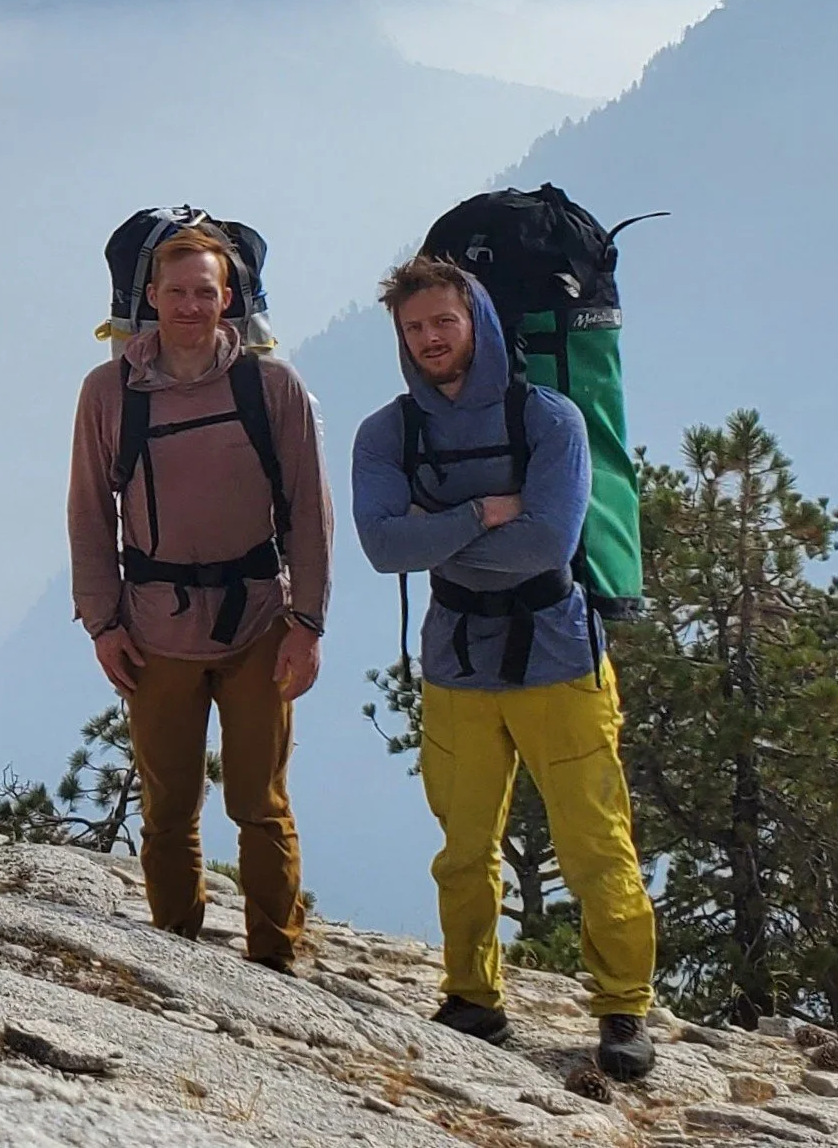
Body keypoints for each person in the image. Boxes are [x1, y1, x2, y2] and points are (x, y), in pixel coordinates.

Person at [352, 254, 658, 1077]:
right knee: (462, 844)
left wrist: (438, 527)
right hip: (458, 658)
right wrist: (486, 509)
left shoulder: (550, 418)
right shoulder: (386, 431)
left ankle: (623, 1009)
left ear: (477, 320)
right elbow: (382, 547)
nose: (428, 340)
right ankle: (470, 995)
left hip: (556, 651)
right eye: (413, 328)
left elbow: (548, 541)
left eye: (442, 322)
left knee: (596, 840)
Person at [68, 225, 334, 972]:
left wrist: (305, 622)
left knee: (260, 805)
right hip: (152, 630)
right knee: (168, 812)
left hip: (258, 622)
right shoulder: (108, 390)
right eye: (177, 291)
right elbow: (90, 511)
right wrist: (102, 621)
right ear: (149, 297)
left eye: (205, 291)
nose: (190, 305)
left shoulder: (271, 387)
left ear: (229, 299)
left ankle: (275, 962)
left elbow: (310, 512)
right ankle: (178, 961)